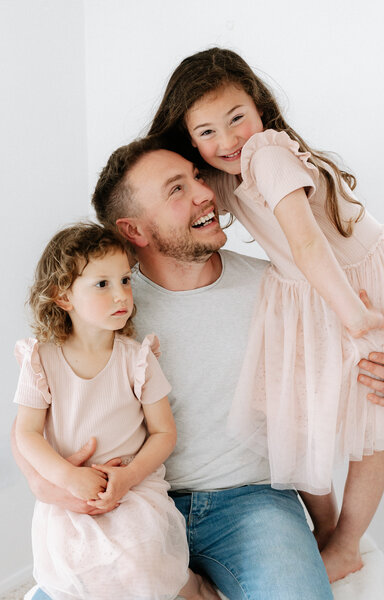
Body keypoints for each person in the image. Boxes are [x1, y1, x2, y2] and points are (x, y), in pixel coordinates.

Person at [147, 47, 384, 582]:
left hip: (352, 289)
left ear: (259, 106)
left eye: (236, 117)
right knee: (293, 419)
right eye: (206, 131)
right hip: (313, 291)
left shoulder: (269, 154)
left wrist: (354, 317)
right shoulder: (221, 171)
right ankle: (322, 530)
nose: (227, 140)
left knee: (373, 417)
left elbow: (305, 242)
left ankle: (345, 541)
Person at [13, 222, 218, 600]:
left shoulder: (136, 359)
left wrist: (128, 478)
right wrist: (66, 478)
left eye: (125, 280)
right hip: (71, 488)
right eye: (102, 284)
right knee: (72, 565)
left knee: (141, 562)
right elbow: (25, 433)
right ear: (63, 297)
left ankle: (192, 587)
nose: (121, 294)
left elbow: (163, 432)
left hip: (131, 488)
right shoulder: (41, 360)